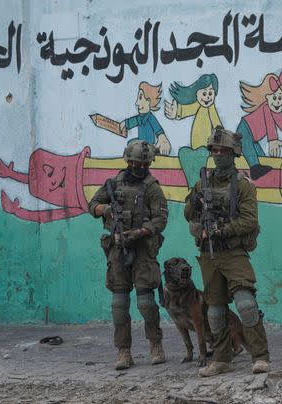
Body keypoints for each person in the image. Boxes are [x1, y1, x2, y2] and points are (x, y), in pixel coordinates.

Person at [184, 126, 270, 376]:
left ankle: (260, 357)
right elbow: (188, 214)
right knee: (215, 310)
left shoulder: (244, 186)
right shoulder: (202, 182)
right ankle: (222, 359)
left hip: (233, 252)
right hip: (209, 255)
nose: (218, 154)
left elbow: (249, 221)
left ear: (233, 154)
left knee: (246, 304)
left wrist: (222, 230)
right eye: (215, 150)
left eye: (223, 151)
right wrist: (195, 201)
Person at [88, 140, 168, 370]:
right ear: (127, 160)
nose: (137, 167)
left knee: (146, 302)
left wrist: (142, 231)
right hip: (117, 249)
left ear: (148, 164)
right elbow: (92, 204)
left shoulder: (152, 187)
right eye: (133, 162)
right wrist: (105, 209)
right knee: (119, 303)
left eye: (142, 163)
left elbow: (161, 219)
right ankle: (123, 351)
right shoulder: (114, 184)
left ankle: (156, 344)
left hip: (142, 249)